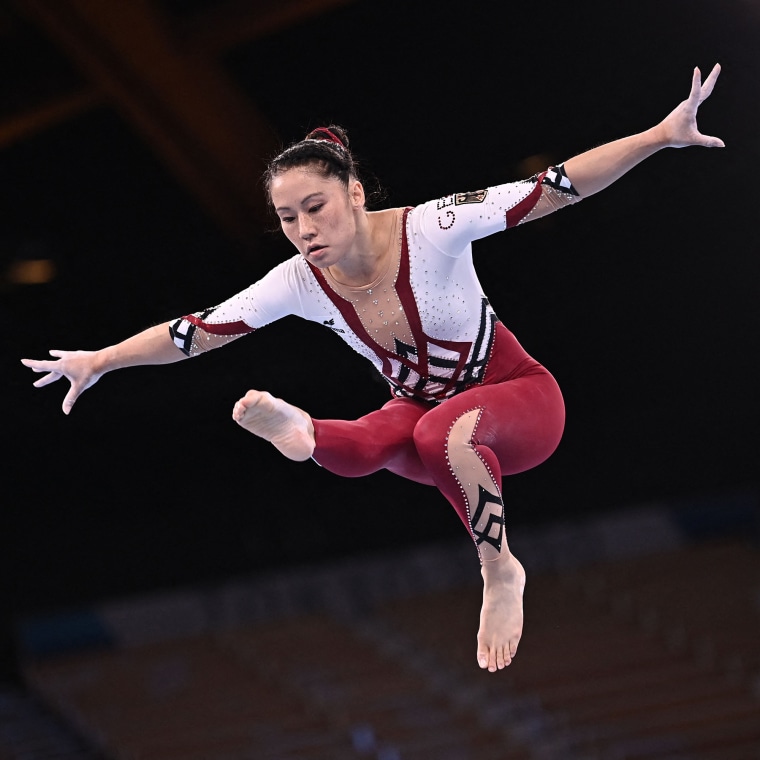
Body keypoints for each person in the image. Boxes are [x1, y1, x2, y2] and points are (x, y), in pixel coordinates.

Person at [22, 65, 724, 672]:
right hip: (422, 423)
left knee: (436, 433)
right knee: (374, 441)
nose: (303, 230)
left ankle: (499, 566)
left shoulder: (433, 228)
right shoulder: (296, 282)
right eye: (287, 217)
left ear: (354, 193)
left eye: (315, 208)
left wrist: (660, 136)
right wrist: (101, 359)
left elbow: (558, 186)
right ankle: (302, 435)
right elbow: (194, 332)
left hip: (519, 401)